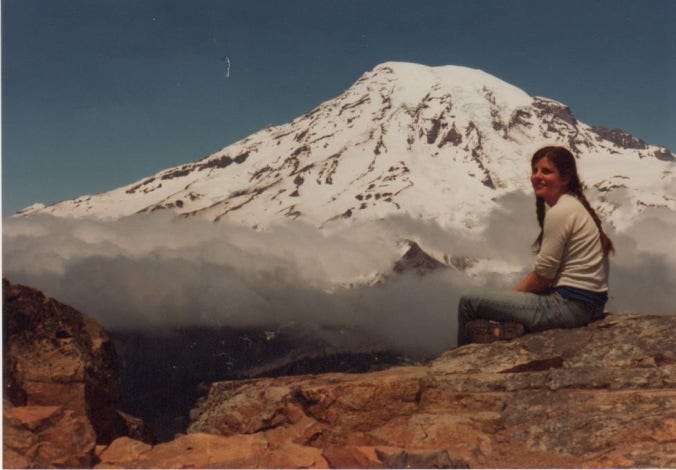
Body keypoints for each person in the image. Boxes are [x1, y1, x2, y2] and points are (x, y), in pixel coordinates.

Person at [457, 146, 613, 346]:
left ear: (565, 178)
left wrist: (510, 300)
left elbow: (542, 277)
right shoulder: (574, 206)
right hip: (590, 306)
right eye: (535, 170)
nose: (537, 176)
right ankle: (506, 330)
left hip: (569, 307)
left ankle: (461, 357)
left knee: (469, 302)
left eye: (546, 171)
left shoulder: (561, 211)